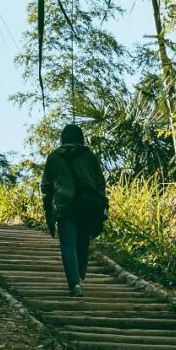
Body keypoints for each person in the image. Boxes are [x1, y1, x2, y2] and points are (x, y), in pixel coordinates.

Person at [40, 124, 108, 297]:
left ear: (62, 138)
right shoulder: (89, 156)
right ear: (80, 138)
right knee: (83, 243)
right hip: (87, 205)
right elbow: (100, 182)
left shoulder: (54, 157)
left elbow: (45, 186)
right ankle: (80, 278)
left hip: (64, 206)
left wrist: (54, 199)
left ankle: (74, 284)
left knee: (68, 244)